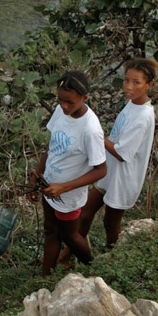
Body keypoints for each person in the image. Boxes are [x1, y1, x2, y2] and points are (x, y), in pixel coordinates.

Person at [58, 59, 157, 265]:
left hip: (124, 178)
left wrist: (96, 136)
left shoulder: (144, 115)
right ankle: (67, 256)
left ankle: (113, 260)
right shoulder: (132, 104)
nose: (128, 86)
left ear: (149, 85)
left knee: (111, 223)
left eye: (136, 82)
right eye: (126, 80)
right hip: (110, 171)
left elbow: (123, 153)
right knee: (85, 214)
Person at [28, 71, 107, 277]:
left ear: (84, 98)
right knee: (50, 231)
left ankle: (94, 269)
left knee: (70, 236)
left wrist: (63, 187)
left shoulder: (91, 130)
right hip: (49, 185)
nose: (63, 106)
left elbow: (101, 170)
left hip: (68, 193)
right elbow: (52, 147)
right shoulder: (61, 111)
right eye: (60, 100)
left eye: (69, 102)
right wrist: (38, 174)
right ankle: (46, 278)